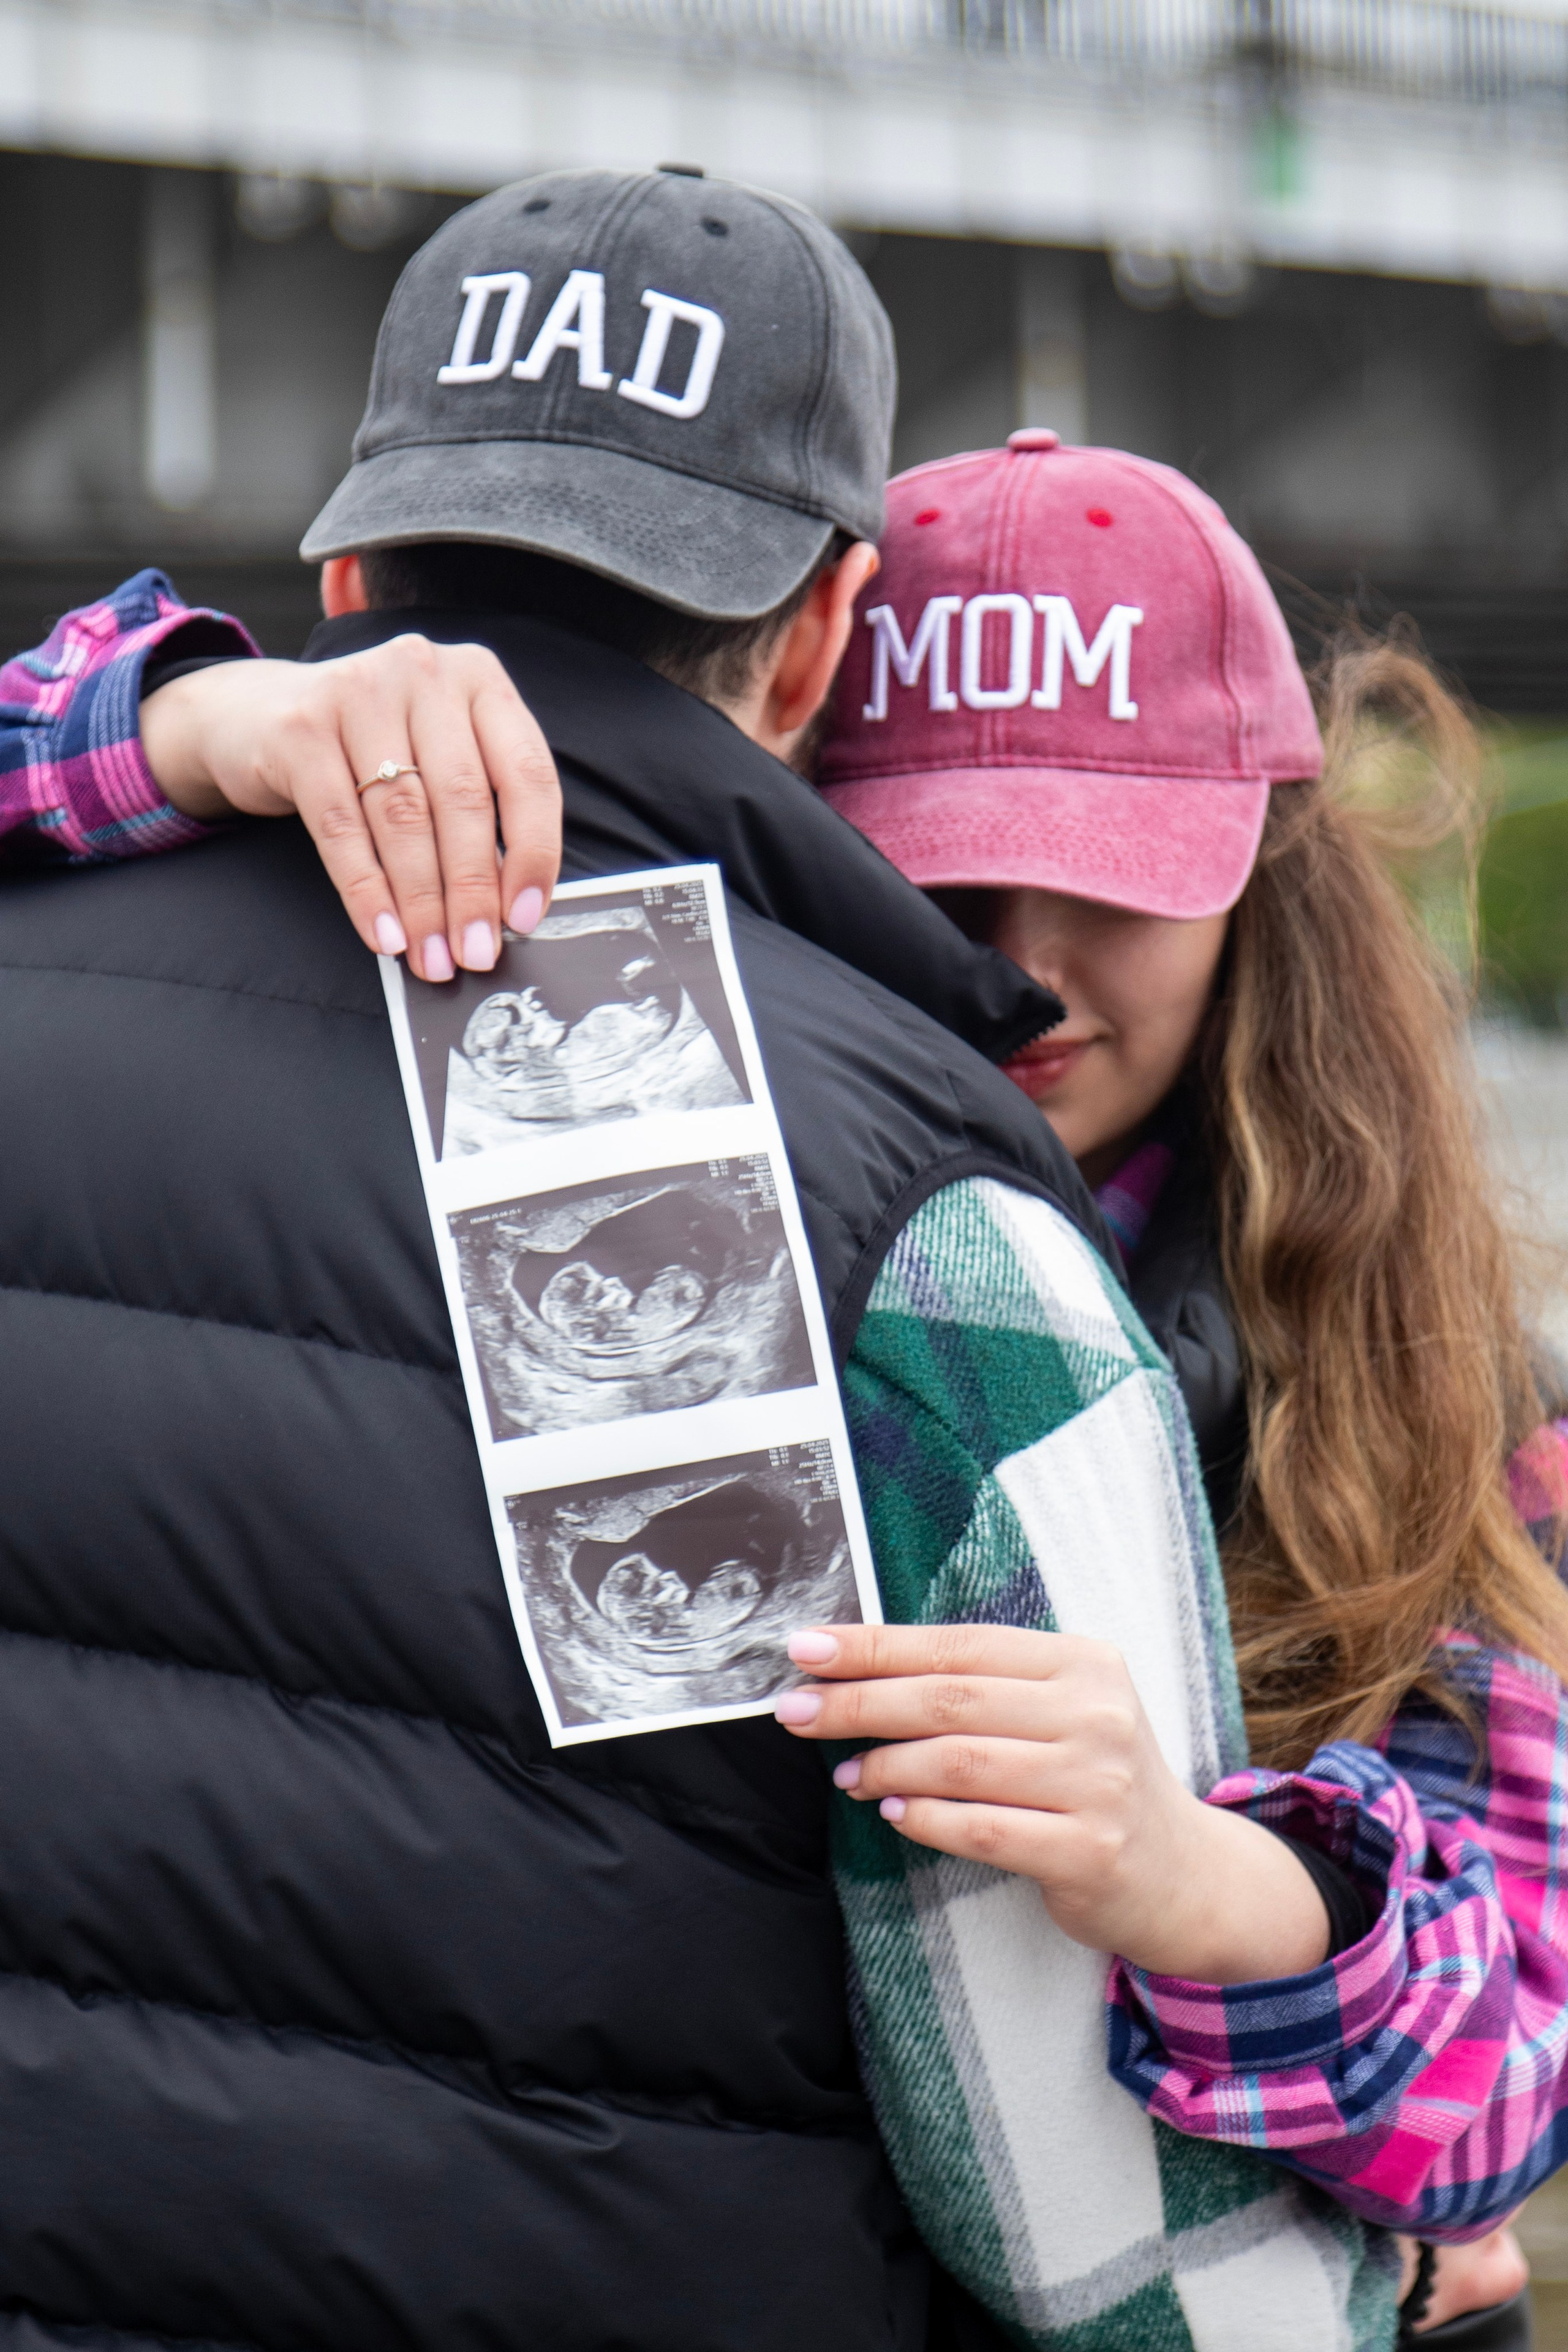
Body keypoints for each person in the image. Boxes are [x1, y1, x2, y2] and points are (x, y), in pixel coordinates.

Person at [0, 169, 1396, 2352]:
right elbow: (1086, 2230)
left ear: (345, 565)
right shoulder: (917, 1210)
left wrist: (164, 719)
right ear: (830, 630)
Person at [779, 431, 1568, 2344]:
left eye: (1111, 886)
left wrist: (1213, 1882)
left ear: (1261, 889)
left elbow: (1514, 2092)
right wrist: (225, 715)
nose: (1024, 973)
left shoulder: (1455, 1393)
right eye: (938, 885)